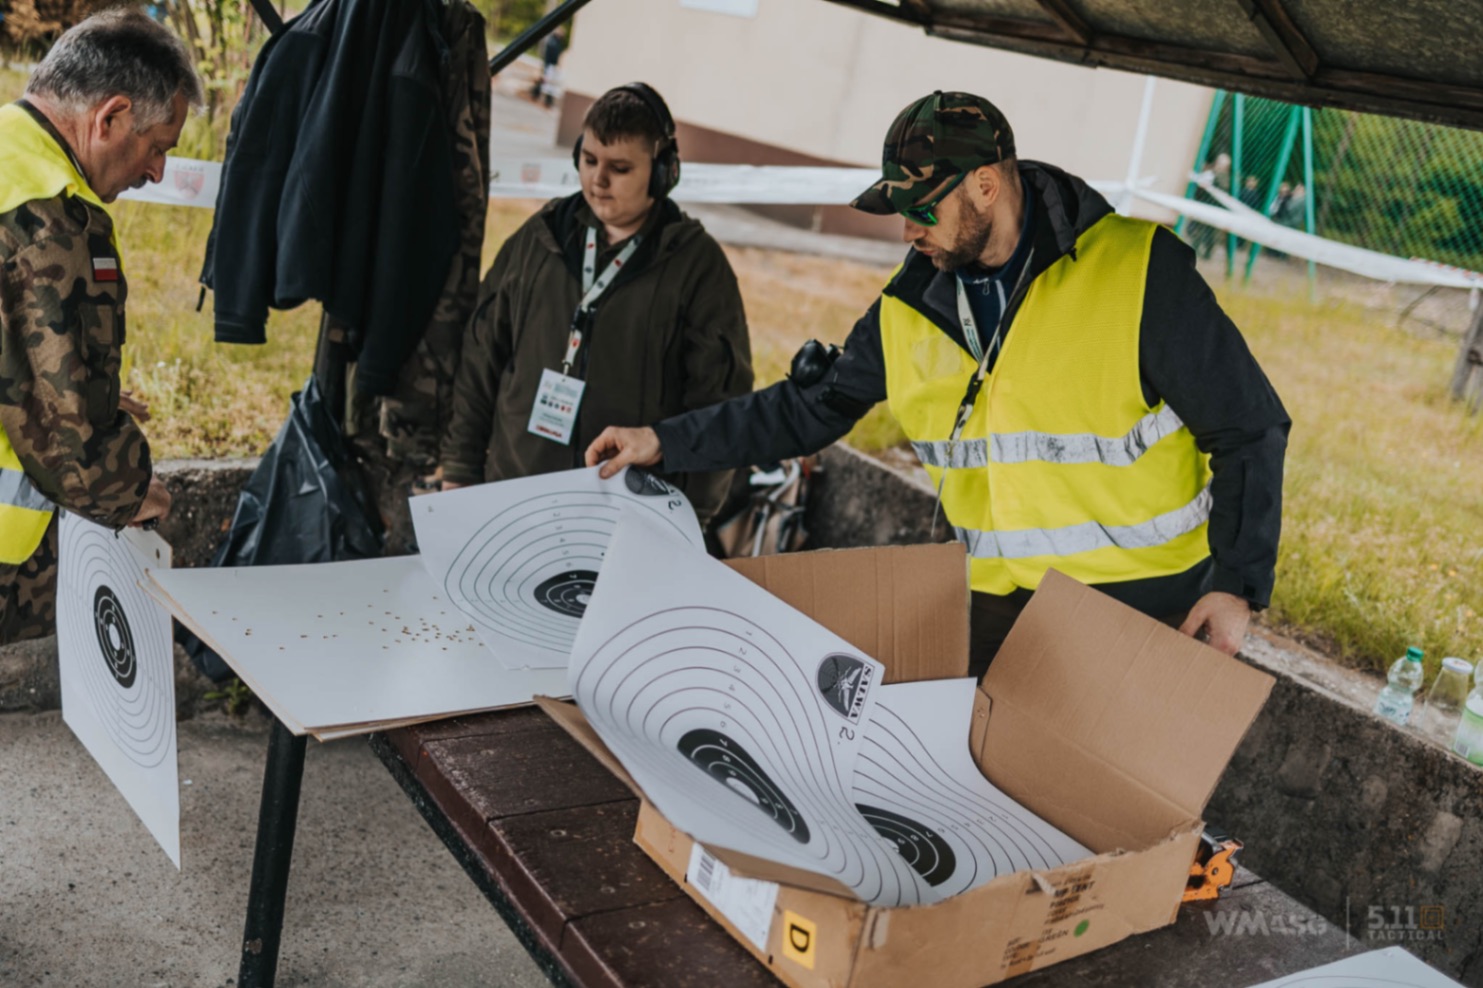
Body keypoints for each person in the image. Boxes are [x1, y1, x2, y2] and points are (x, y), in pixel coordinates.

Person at [586, 90, 1289, 674]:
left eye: (922, 209)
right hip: (994, 598)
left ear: (986, 183)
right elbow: (805, 411)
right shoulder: (911, 303)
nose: (906, 231)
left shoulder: (1138, 272)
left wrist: (1235, 584)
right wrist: (660, 440)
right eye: (899, 210)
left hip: (1139, 599)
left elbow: (1248, 426)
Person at [441, 82, 753, 526]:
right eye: (589, 161)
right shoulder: (539, 238)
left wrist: (688, 519)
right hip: (514, 496)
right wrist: (459, 469)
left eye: (620, 168)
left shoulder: (699, 268)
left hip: (627, 519)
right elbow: (480, 360)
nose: (598, 180)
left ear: (663, 172)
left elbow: (718, 406)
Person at [0, 8, 201, 644]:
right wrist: (134, 489)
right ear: (110, 117)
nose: (157, 173)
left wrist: (85, 384)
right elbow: (67, 435)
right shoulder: (49, 220)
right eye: (156, 147)